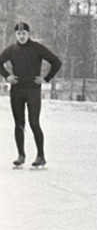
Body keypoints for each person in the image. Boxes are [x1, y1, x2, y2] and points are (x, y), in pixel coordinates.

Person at [0, 22, 61, 167]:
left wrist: (45, 79)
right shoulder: (12, 49)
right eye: (19, 34)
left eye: (24, 33)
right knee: (19, 124)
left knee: (34, 122)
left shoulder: (37, 48)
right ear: (15, 35)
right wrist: (7, 76)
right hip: (17, 90)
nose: (21, 36)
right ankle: (21, 155)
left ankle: (41, 156)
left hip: (33, 90)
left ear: (28, 34)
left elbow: (56, 62)